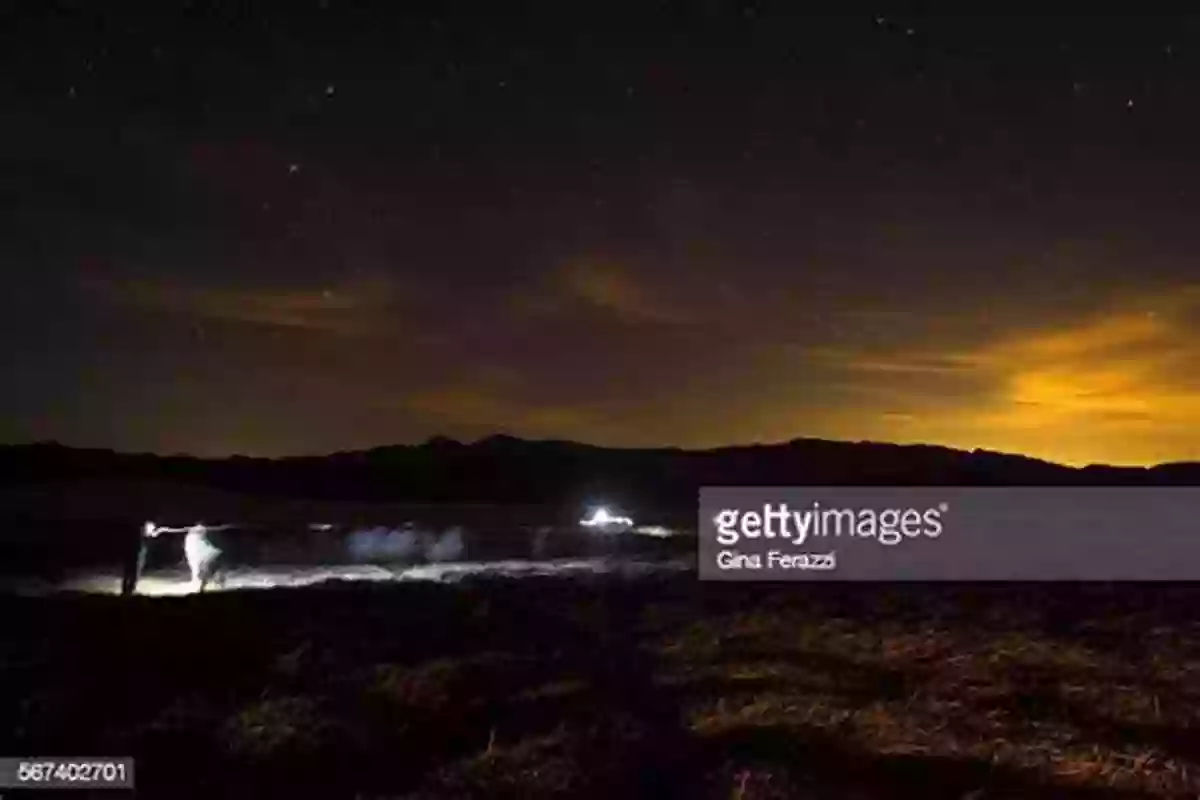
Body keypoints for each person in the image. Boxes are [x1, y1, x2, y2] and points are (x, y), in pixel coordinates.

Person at [121, 520, 156, 596]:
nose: (152, 530)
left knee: (129, 574)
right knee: (133, 574)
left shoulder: (139, 534)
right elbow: (142, 546)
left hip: (133, 557)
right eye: (151, 529)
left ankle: (126, 591)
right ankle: (128, 591)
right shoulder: (140, 536)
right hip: (135, 557)